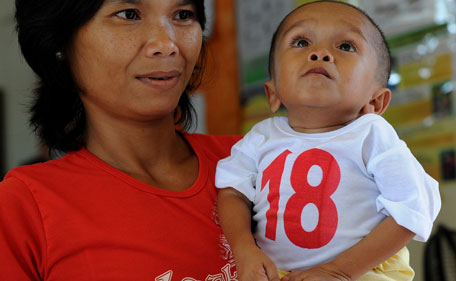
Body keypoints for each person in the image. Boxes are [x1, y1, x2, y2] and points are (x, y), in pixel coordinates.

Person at [0, 0, 240, 280]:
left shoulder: (258, 161)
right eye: (129, 15)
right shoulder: (24, 207)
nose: (167, 44)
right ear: (60, 42)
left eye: (183, 15)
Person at [215, 1, 441, 281]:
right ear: (272, 93)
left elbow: (413, 208)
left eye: (345, 46)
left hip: (361, 272)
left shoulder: (372, 135)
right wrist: (244, 248)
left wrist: (338, 271)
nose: (319, 53)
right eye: (301, 42)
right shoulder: (261, 137)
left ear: (375, 101)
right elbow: (232, 191)